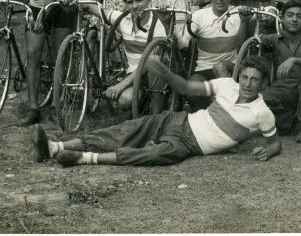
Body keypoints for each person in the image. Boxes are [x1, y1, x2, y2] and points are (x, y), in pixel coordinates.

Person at [30, 56, 281, 166]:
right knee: (128, 129)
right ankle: (57, 147)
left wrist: (269, 150)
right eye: (245, 77)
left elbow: (275, 142)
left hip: (190, 146)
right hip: (179, 121)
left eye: (254, 79)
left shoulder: (262, 112)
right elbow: (186, 87)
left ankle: (84, 159)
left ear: (262, 83)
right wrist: (163, 71)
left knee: (152, 154)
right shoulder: (226, 84)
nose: (247, 84)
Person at [71, 0, 166, 112]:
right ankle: (142, 101)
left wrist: (120, 86)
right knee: (124, 101)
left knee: (154, 61)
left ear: (149, 0)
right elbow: (88, 6)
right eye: (130, 2)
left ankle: (157, 115)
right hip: (134, 74)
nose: (135, 6)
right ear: (125, 4)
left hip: (153, 73)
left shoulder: (157, 24)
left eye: (139, 0)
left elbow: (149, 63)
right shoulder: (122, 19)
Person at [177, 0, 252, 112]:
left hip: (232, 67)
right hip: (204, 69)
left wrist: (244, 21)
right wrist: (175, 31)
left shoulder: (237, 12)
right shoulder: (199, 15)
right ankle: (209, 115)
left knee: (220, 66)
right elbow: (183, 44)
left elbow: (241, 48)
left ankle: (231, 112)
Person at [260, 1, 301, 143]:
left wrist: (294, 59)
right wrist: (252, 21)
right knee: (258, 99)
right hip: (283, 89)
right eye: (290, 15)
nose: (294, 19)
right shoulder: (275, 38)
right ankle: (289, 119)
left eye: (299, 16)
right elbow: (255, 41)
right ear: (282, 18)